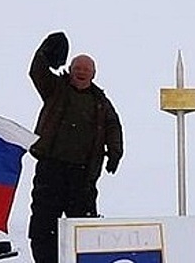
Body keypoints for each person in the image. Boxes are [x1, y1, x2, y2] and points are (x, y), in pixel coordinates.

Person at [27, 32, 123, 263]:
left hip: (83, 175)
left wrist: (115, 152)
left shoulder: (100, 101)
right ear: (70, 70)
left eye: (86, 70)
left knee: (84, 226)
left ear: (93, 74)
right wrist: (44, 53)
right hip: (51, 169)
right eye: (77, 68)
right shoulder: (55, 89)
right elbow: (36, 72)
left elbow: (113, 125)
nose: (81, 72)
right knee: (44, 222)